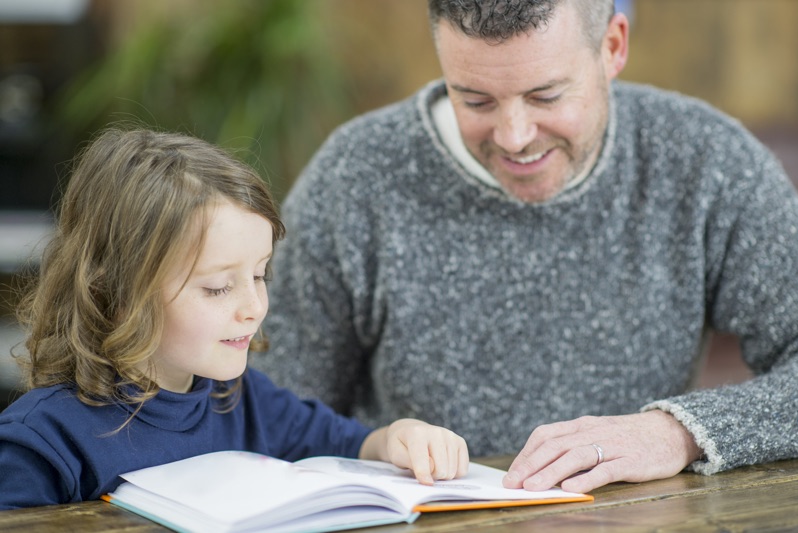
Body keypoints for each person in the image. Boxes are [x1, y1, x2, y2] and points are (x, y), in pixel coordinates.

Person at [253, 0, 798, 495]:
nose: (514, 137)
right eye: (475, 99)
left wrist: (675, 432)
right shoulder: (355, 178)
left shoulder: (707, 163)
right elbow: (266, 413)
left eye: (546, 96)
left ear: (612, 46)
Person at [0, 127, 468, 510]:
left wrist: (401, 437)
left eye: (260, 275)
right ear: (117, 292)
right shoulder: (43, 442)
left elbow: (357, 444)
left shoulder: (245, 401)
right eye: (218, 287)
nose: (253, 307)